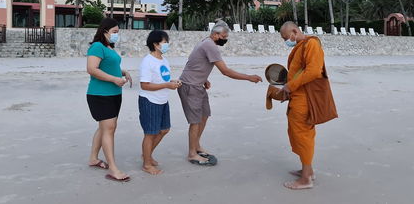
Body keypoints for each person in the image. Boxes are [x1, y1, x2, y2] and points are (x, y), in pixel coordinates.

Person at [178, 21, 263, 165]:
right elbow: (225, 71)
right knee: (195, 121)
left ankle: (197, 145)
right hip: (190, 86)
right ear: (216, 34)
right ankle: (192, 154)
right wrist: (248, 77)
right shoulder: (210, 45)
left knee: (204, 115)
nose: (225, 39)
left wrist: (204, 78)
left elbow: (194, 62)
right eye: (224, 36)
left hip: (198, 85)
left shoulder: (206, 42)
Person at [278, 21, 325, 190]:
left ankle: (306, 180)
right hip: (297, 97)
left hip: (305, 100)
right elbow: (298, 72)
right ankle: (308, 170)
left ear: (294, 31)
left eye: (286, 37)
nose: (286, 41)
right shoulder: (301, 46)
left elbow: (313, 71)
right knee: (298, 134)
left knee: (303, 136)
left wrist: (289, 86)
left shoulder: (311, 43)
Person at [86, 18, 132, 182]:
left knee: (105, 127)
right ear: (104, 31)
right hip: (100, 94)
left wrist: (122, 72)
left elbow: (109, 66)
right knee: (109, 129)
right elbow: (92, 69)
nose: (116, 35)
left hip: (114, 94)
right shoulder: (97, 46)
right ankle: (113, 169)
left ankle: (93, 158)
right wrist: (113, 79)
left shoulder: (108, 47)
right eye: (114, 32)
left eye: (117, 32)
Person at [139, 30, 182, 175]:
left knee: (164, 129)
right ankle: (146, 163)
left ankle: (147, 154)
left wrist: (172, 82)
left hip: (163, 100)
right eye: (164, 42)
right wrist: (166, 85)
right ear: (155, 44)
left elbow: (162, 79)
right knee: (150, 133)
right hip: (150, 101)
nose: (167, 45)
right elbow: (144, 85)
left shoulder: (164, 60)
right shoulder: (148, 61)